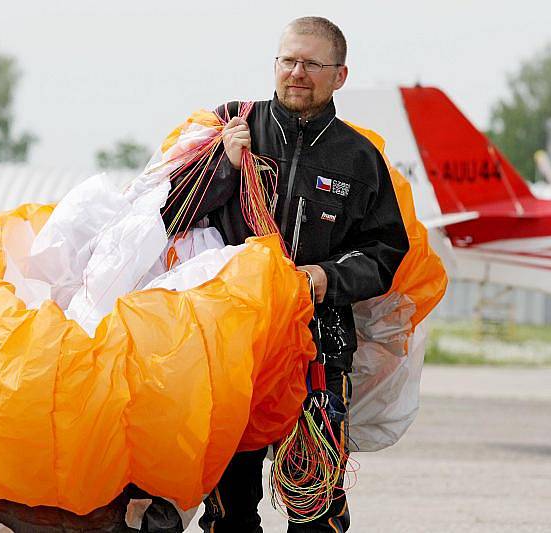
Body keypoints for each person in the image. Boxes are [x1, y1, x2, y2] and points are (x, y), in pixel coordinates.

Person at [160, 16, 409, 533]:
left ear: (340, 75)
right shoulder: (229, 125)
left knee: (314, 506)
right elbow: (168, 216)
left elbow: (385, 251)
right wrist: (227, 166)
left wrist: (326, 277)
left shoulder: (360, 159)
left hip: (318, 350)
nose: (297, 73)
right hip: (235, 352)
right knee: (228, 513)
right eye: (288, 60)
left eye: (312, 64)